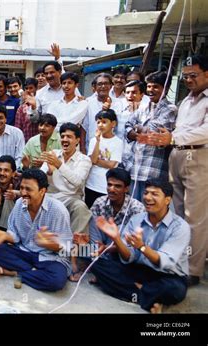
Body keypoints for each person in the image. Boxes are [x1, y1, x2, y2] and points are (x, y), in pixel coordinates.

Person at [149, 54, 208, 287]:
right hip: (176, 154)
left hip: (198, 157)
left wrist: (172, 136)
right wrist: (165, 135)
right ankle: (177, 260)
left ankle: (192, 270)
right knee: (177, 213)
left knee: (196, 217)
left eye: (193, 76)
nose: (189, 80)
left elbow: (205, 131)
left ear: (207, 74)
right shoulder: (186, 102)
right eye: (185, 77)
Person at [91, 179, 190, 313]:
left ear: (167, 200)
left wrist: (142, 247)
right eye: (146, 193)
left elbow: (164, 262)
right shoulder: (137, 219)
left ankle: (133, 290)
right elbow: (128, 257)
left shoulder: (180, 227)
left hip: (168, 275)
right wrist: (116, 239)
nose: (148, 198)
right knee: (97, 263)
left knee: (174, 290)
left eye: (154, 194)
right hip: (139, 270)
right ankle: (152, 298)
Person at [0, 169, 73, 291]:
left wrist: (50, 244)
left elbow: (66, 248)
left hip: (48, 258)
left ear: (42, 191)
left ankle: (15, 272)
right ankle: (33, 272)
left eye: (28, 189)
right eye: (21, 188)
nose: (23, 193)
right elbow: (15, 235)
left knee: (56, 281)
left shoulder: (58, 210)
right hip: (24, 252)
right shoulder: (20, 203)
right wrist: (5, 236)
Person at [43, 122, 92, 281]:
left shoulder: (84, 160)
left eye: (69, 136)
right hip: (51, 197)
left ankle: (74, 259)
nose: (65, 139)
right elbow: (40, 178)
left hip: (71, 198)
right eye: (62, 136)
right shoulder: (53, 154)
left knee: (81, 208)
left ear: (77, 140)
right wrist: (46, 171)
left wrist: (59, 165)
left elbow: (77, 182)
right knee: (22, 198)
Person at [123, 71, 177, 202]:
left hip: (154, 170)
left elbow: (153, 132)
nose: (151, 90)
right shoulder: (143, 107)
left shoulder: (170, 109)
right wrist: (133, 132)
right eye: (149, 86)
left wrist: (138, 128)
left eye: (155, 87)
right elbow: (128, 125)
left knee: (151, 209)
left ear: (166, 87)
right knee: (133, 209)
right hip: (135, 168)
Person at [89, 168, 145, 254]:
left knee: (121, 229)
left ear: (126, 189)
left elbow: (133, 244)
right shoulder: (99, 202)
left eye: (117, 186)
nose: (111, 189)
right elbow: (94, 232)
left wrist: (106, 248)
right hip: (99, 247)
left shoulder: (137, 208)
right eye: (109, 185)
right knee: (94, 220)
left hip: (124, 252)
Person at [85, 109, 123, 208]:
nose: (101, 125)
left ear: (113, 123)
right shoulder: (94, 140)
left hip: (104, 186)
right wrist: (98, 141)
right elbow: (92, 160)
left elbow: (111, 165)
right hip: (91, 184)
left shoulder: (117, 142)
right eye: (98, 122)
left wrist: (97, 161)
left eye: (104, 122)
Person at [82, 73, 123, 151]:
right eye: (100, 84)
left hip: (112, 147)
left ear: (111, 86)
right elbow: (84, 127)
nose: (103, 86)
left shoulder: (119, 103)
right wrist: (82, 148)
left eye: (106, 83)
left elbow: (119, 125)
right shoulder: (88, 102)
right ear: (95, 87)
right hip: (92, 146)